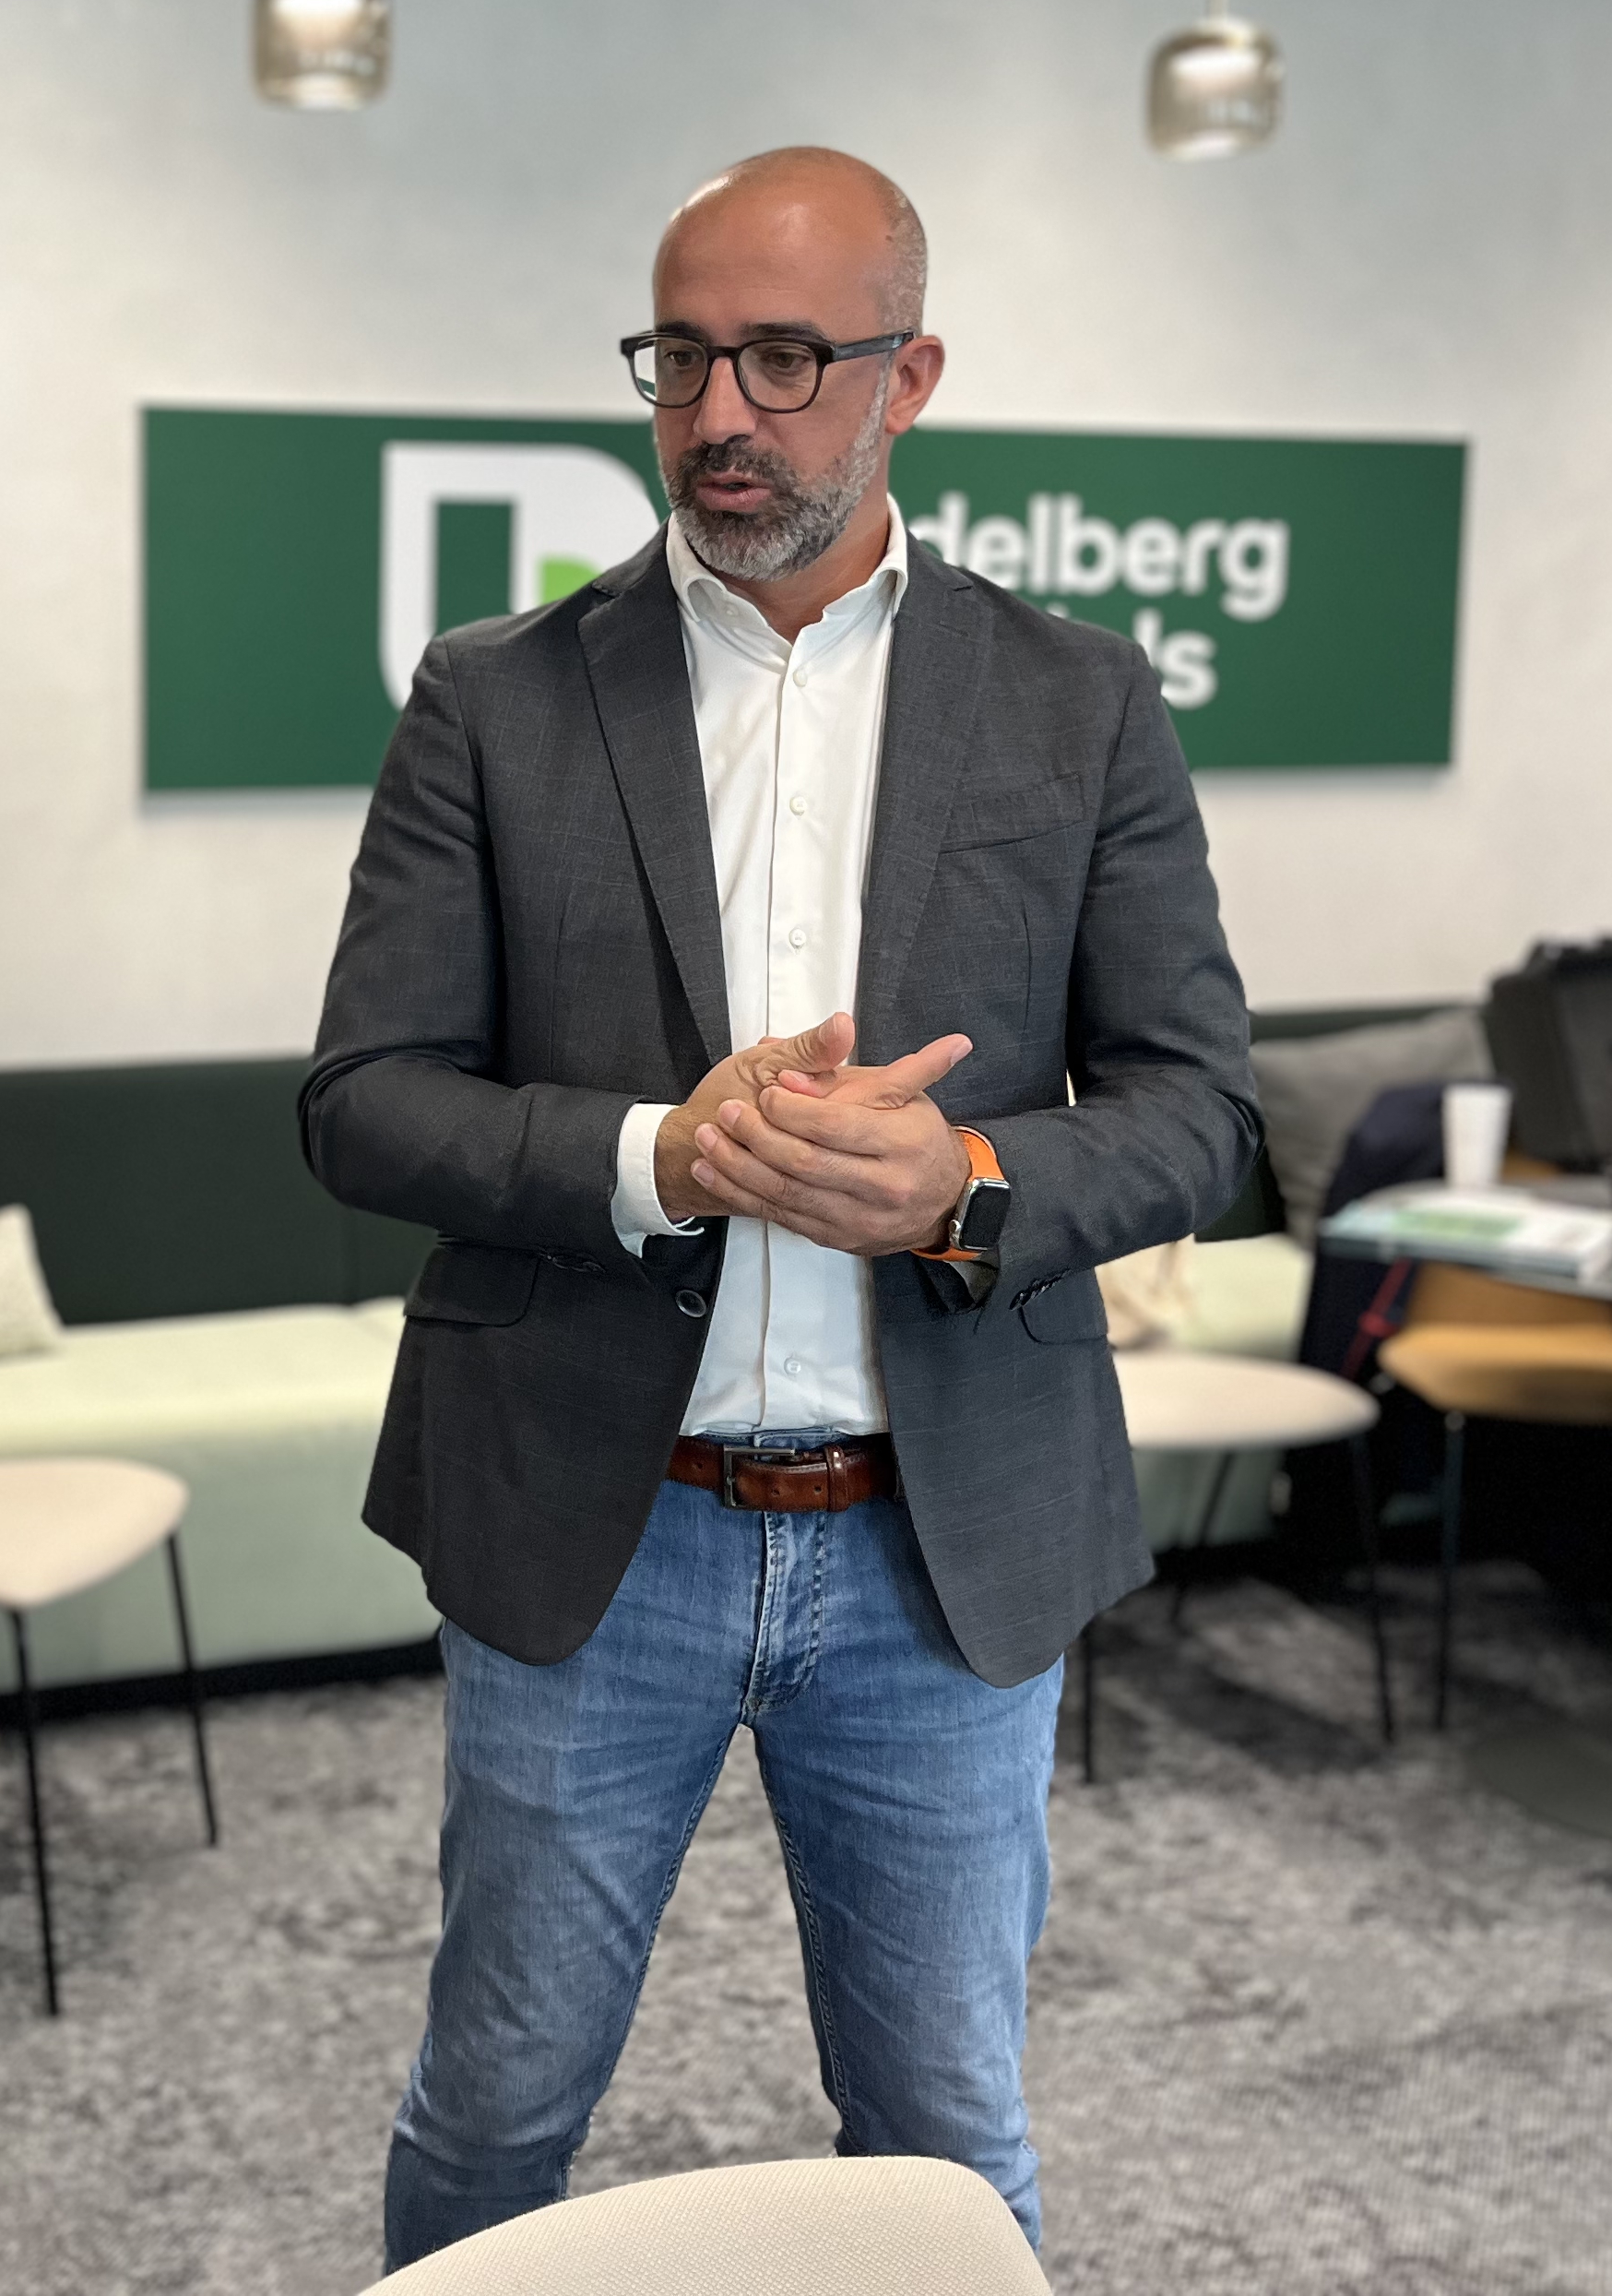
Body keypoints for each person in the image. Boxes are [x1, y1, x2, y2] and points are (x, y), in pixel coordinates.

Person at [302, 147, 1256, 2260]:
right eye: (681, 358)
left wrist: (971, 1181)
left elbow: (1203, 1112)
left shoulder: (1077, 699)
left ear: (910, 376)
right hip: (592, 1524)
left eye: (785, 359)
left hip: (944, 1545)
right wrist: (659, 1157)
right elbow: (364, 1106)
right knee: (499, 2099)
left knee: (944, 2127)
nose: (719, 412)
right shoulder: (499, 694)